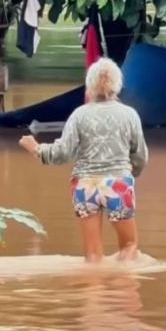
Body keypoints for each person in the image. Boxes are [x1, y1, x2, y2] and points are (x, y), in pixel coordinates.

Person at [19, 58, 148, 263]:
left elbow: (61, 152)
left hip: (85, 186)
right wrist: (132, 175)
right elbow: (140, 156)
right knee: (129, 246)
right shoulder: (129, 115)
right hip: (118, 184)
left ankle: (92, 291)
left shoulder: (79, 116)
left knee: (93, 255)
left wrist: (36, 148)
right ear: (118, 85)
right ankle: (124, 293)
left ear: (89, 86)